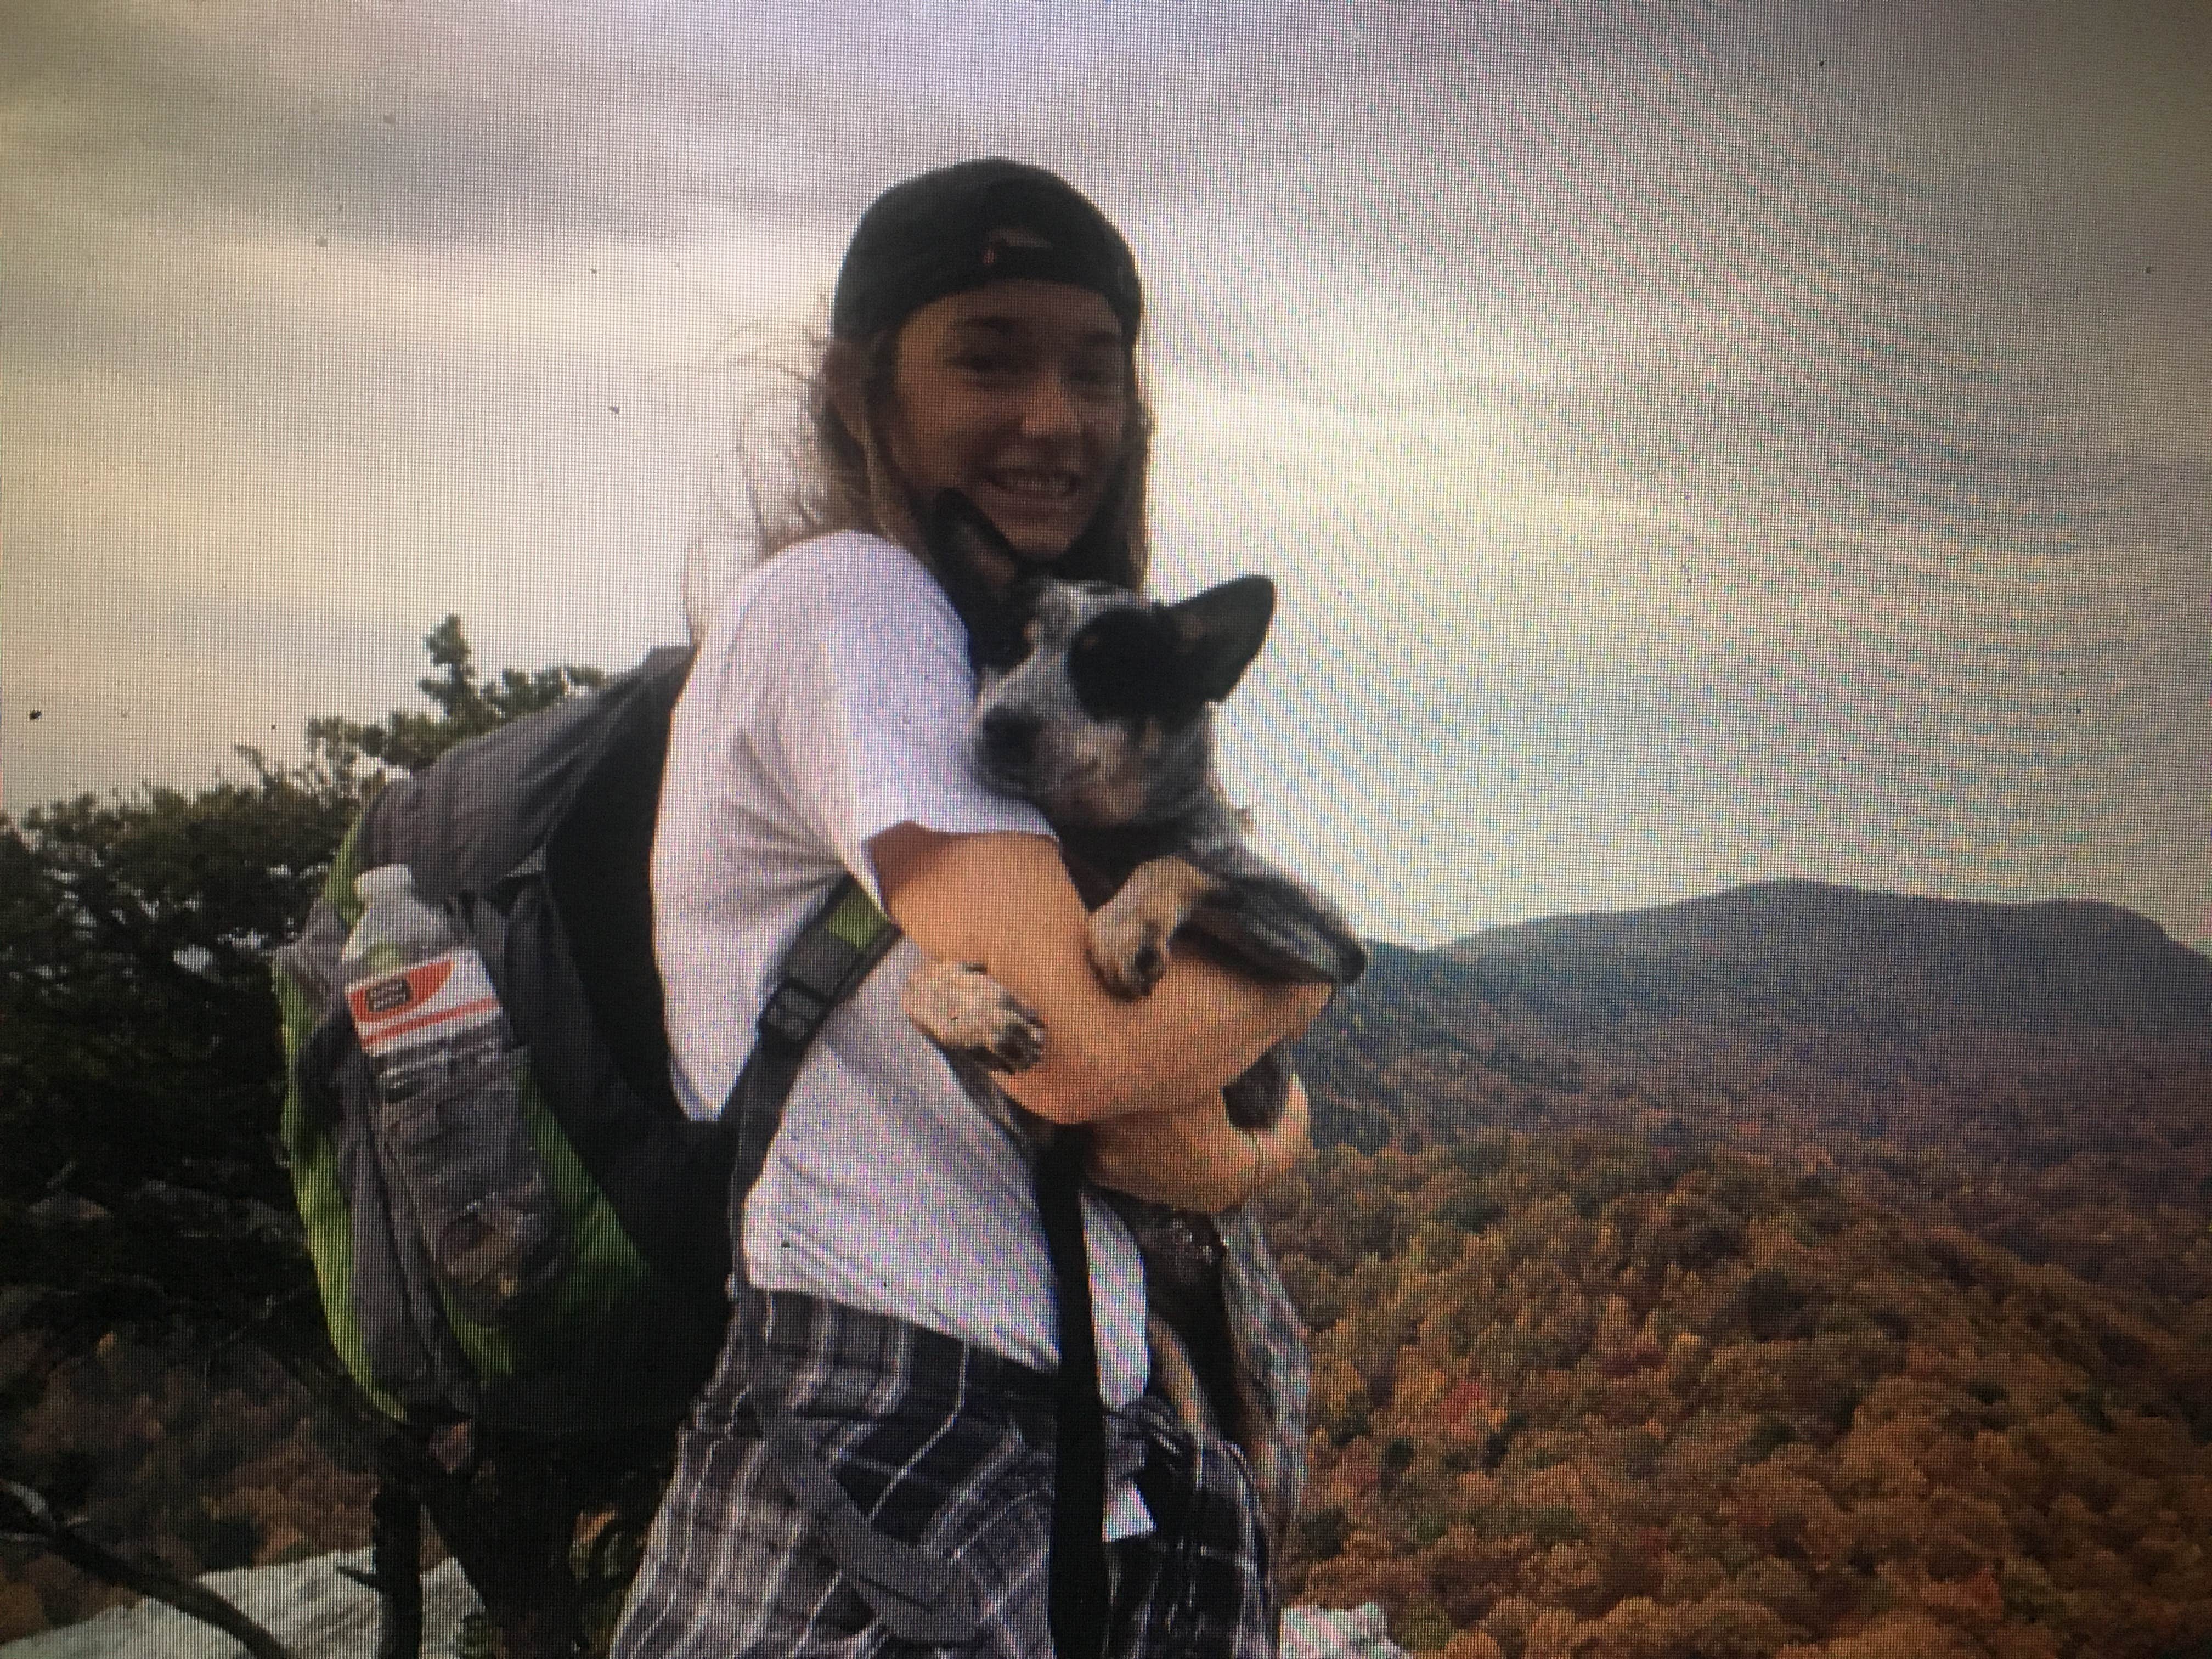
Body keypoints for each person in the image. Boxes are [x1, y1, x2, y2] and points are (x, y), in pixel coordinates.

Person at [612, 157, 1329, 1659]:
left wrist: (1234, 1123)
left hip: (1059, 1446)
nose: (1055, 417)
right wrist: (1289, 1044)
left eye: (1094, 368)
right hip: (895, 1448)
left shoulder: (979, 651)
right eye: (988, 355)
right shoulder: (851, 603)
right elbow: (1090, 1052)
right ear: (866, 389)